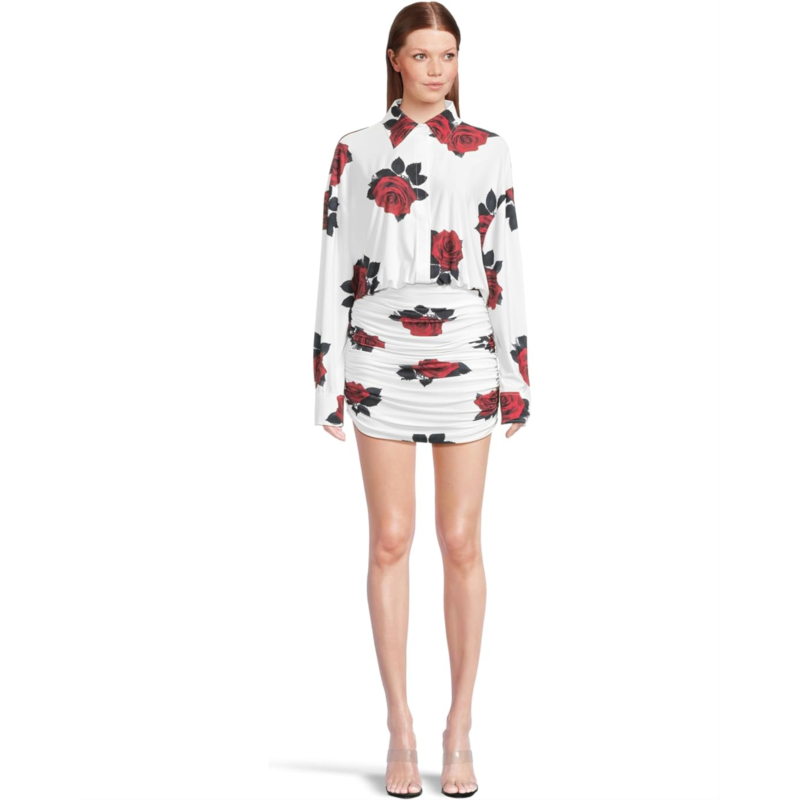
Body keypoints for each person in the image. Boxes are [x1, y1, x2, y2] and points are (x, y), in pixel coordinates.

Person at [312, 3, 531, 797]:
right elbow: (333, 256)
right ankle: (400, 725)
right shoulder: (357, 149)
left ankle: (459, 725)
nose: (437, 69)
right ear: (395, 60)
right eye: (422, 55)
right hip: (378, 345)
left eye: (448, 55)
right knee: (390, 539)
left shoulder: (490, 149)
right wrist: (325, 374)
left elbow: (505, 259)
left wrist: (517, 369)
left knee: (461, 539)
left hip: (466, 345)